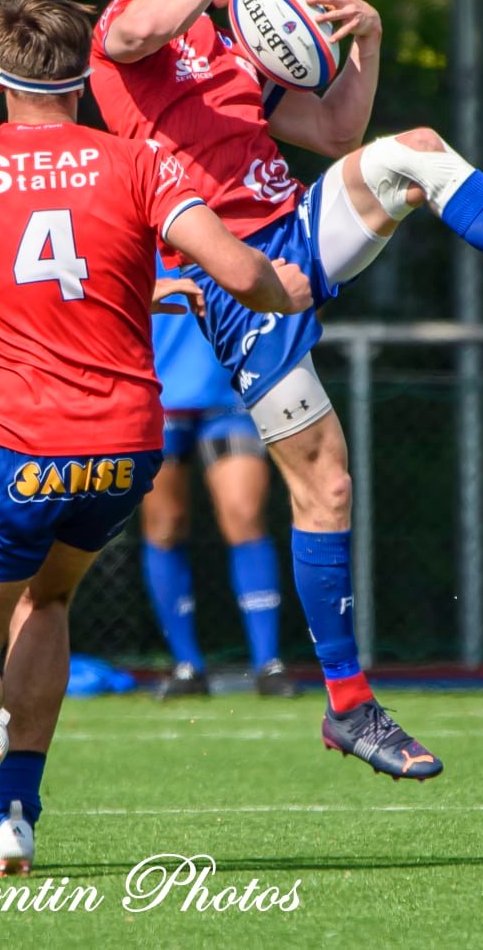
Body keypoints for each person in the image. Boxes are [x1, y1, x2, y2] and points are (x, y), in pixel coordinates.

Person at [78, 0, 483, 778]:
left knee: (413, 152)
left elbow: (333, 132)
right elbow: (136, 36)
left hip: (298, 229)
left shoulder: (229, 38)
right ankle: (348, 705)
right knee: (326, 485)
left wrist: (371, 39)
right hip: (231, 276)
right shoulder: (129, 26)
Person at [0, 0, 310, 862]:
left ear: (2, 79)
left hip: (20, 446)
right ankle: (12, 817)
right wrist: (289, 288)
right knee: (48, 601)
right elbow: (238, 270)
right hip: (126, 447)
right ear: (85, 74)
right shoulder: (135, 162)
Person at [143, 284, 296, 700]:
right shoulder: (141, 222)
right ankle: (186, 665)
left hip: (230, 394)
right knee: (164, 525)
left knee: (245, 516)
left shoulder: (234, 219)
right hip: (156, 392)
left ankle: (268, 663)